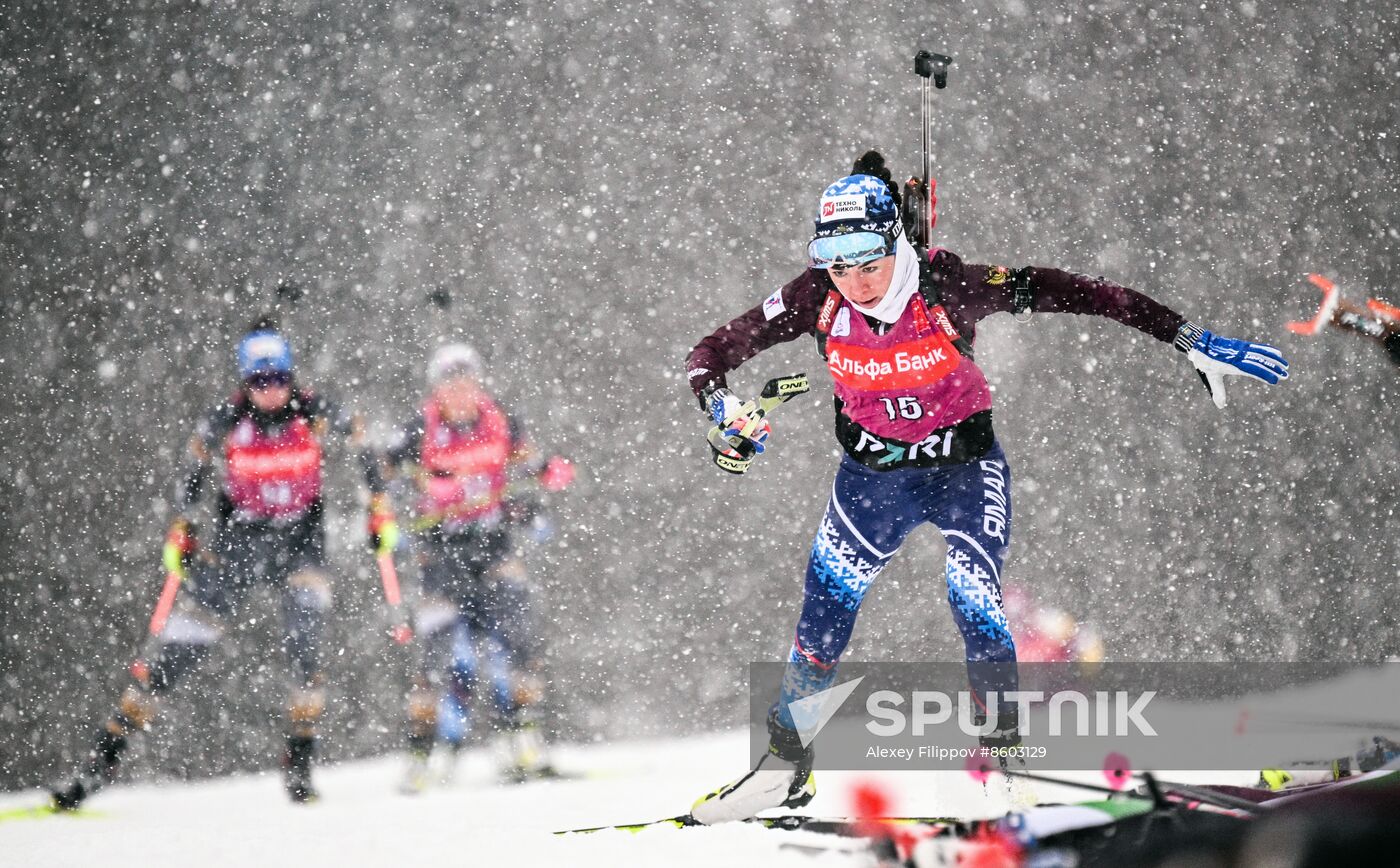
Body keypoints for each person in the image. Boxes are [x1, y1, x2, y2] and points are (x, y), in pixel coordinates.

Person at [683, 151, 1289, 824]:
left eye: (865, 258)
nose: (851, 278)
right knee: (823, 617)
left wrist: (1185, 338)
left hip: (964, 475)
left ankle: (1002, 764)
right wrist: (720, 407)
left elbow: (1087, 294)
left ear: (895, 241)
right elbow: (709, 353)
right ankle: (783, 769)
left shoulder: (948, 285)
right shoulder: (814, 296)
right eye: (834, 259)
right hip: (872, 483)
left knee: (973, 597)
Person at [50, 316, 388, 808]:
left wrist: (378, 505)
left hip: (300, 545)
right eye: (259, 381)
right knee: (171, 657)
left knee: (307, 649)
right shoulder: (225, 419)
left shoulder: (314, 410)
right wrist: (182, 527)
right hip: (237, 547)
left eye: (278, 380)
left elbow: (364, 445)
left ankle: (299, 762)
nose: (270, 391)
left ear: (291, 376)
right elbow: (192, 473)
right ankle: (101, 762)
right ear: (245, 381)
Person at [377, 342, 571, 792]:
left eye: (467, 384)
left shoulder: (502, 421)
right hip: (440, 554)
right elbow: (382, 476)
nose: (460, 393)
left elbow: (530, 469)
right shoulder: (418, 429)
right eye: (451, 385)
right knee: (437, 658)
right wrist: (397, 512)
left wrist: (540, 490)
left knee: (519, 640)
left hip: (494, 548)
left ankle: (524, 740)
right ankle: (421, 755)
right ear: (437, 390)